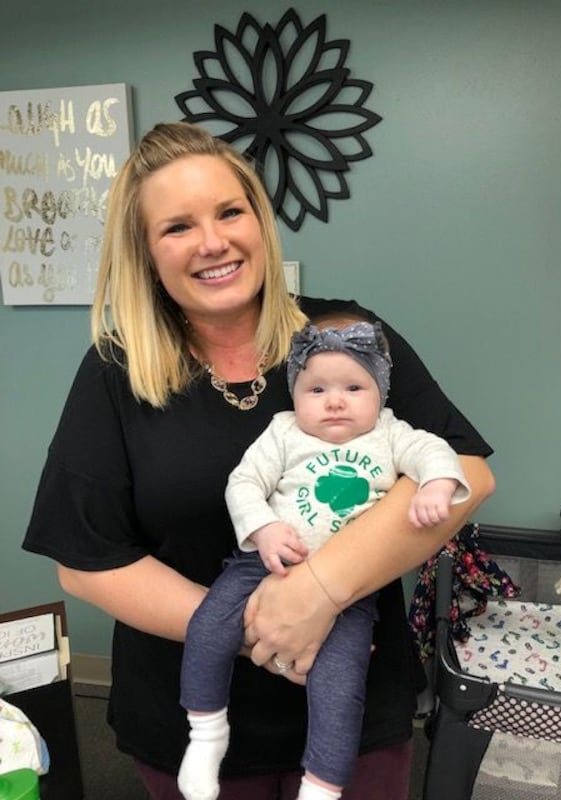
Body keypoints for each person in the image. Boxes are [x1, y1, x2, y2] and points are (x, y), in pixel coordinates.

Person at [22, 120, 495, 800]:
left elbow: (469, 472)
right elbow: (86, 561)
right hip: (190, 719)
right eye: (177, 227)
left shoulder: (346, 337)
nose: (213, 242)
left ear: (259, 221)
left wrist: (321, 589)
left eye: (229, 212)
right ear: (146, 252)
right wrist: (261, 626)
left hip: (355, 708)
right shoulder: (114, 374)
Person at [178, 315, 471, 800]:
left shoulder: (390, 432)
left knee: (341, 688)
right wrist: (265, 529)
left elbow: (436, 450)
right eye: (316, 390)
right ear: (294, 395)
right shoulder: (283, 431)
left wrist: (436, 484)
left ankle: (322, 785)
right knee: (208, 627)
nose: (335, 400)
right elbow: (244, 482)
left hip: (350, 590)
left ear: (380, 394)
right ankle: (206, 733)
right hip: (263, 563)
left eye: (354, 387)